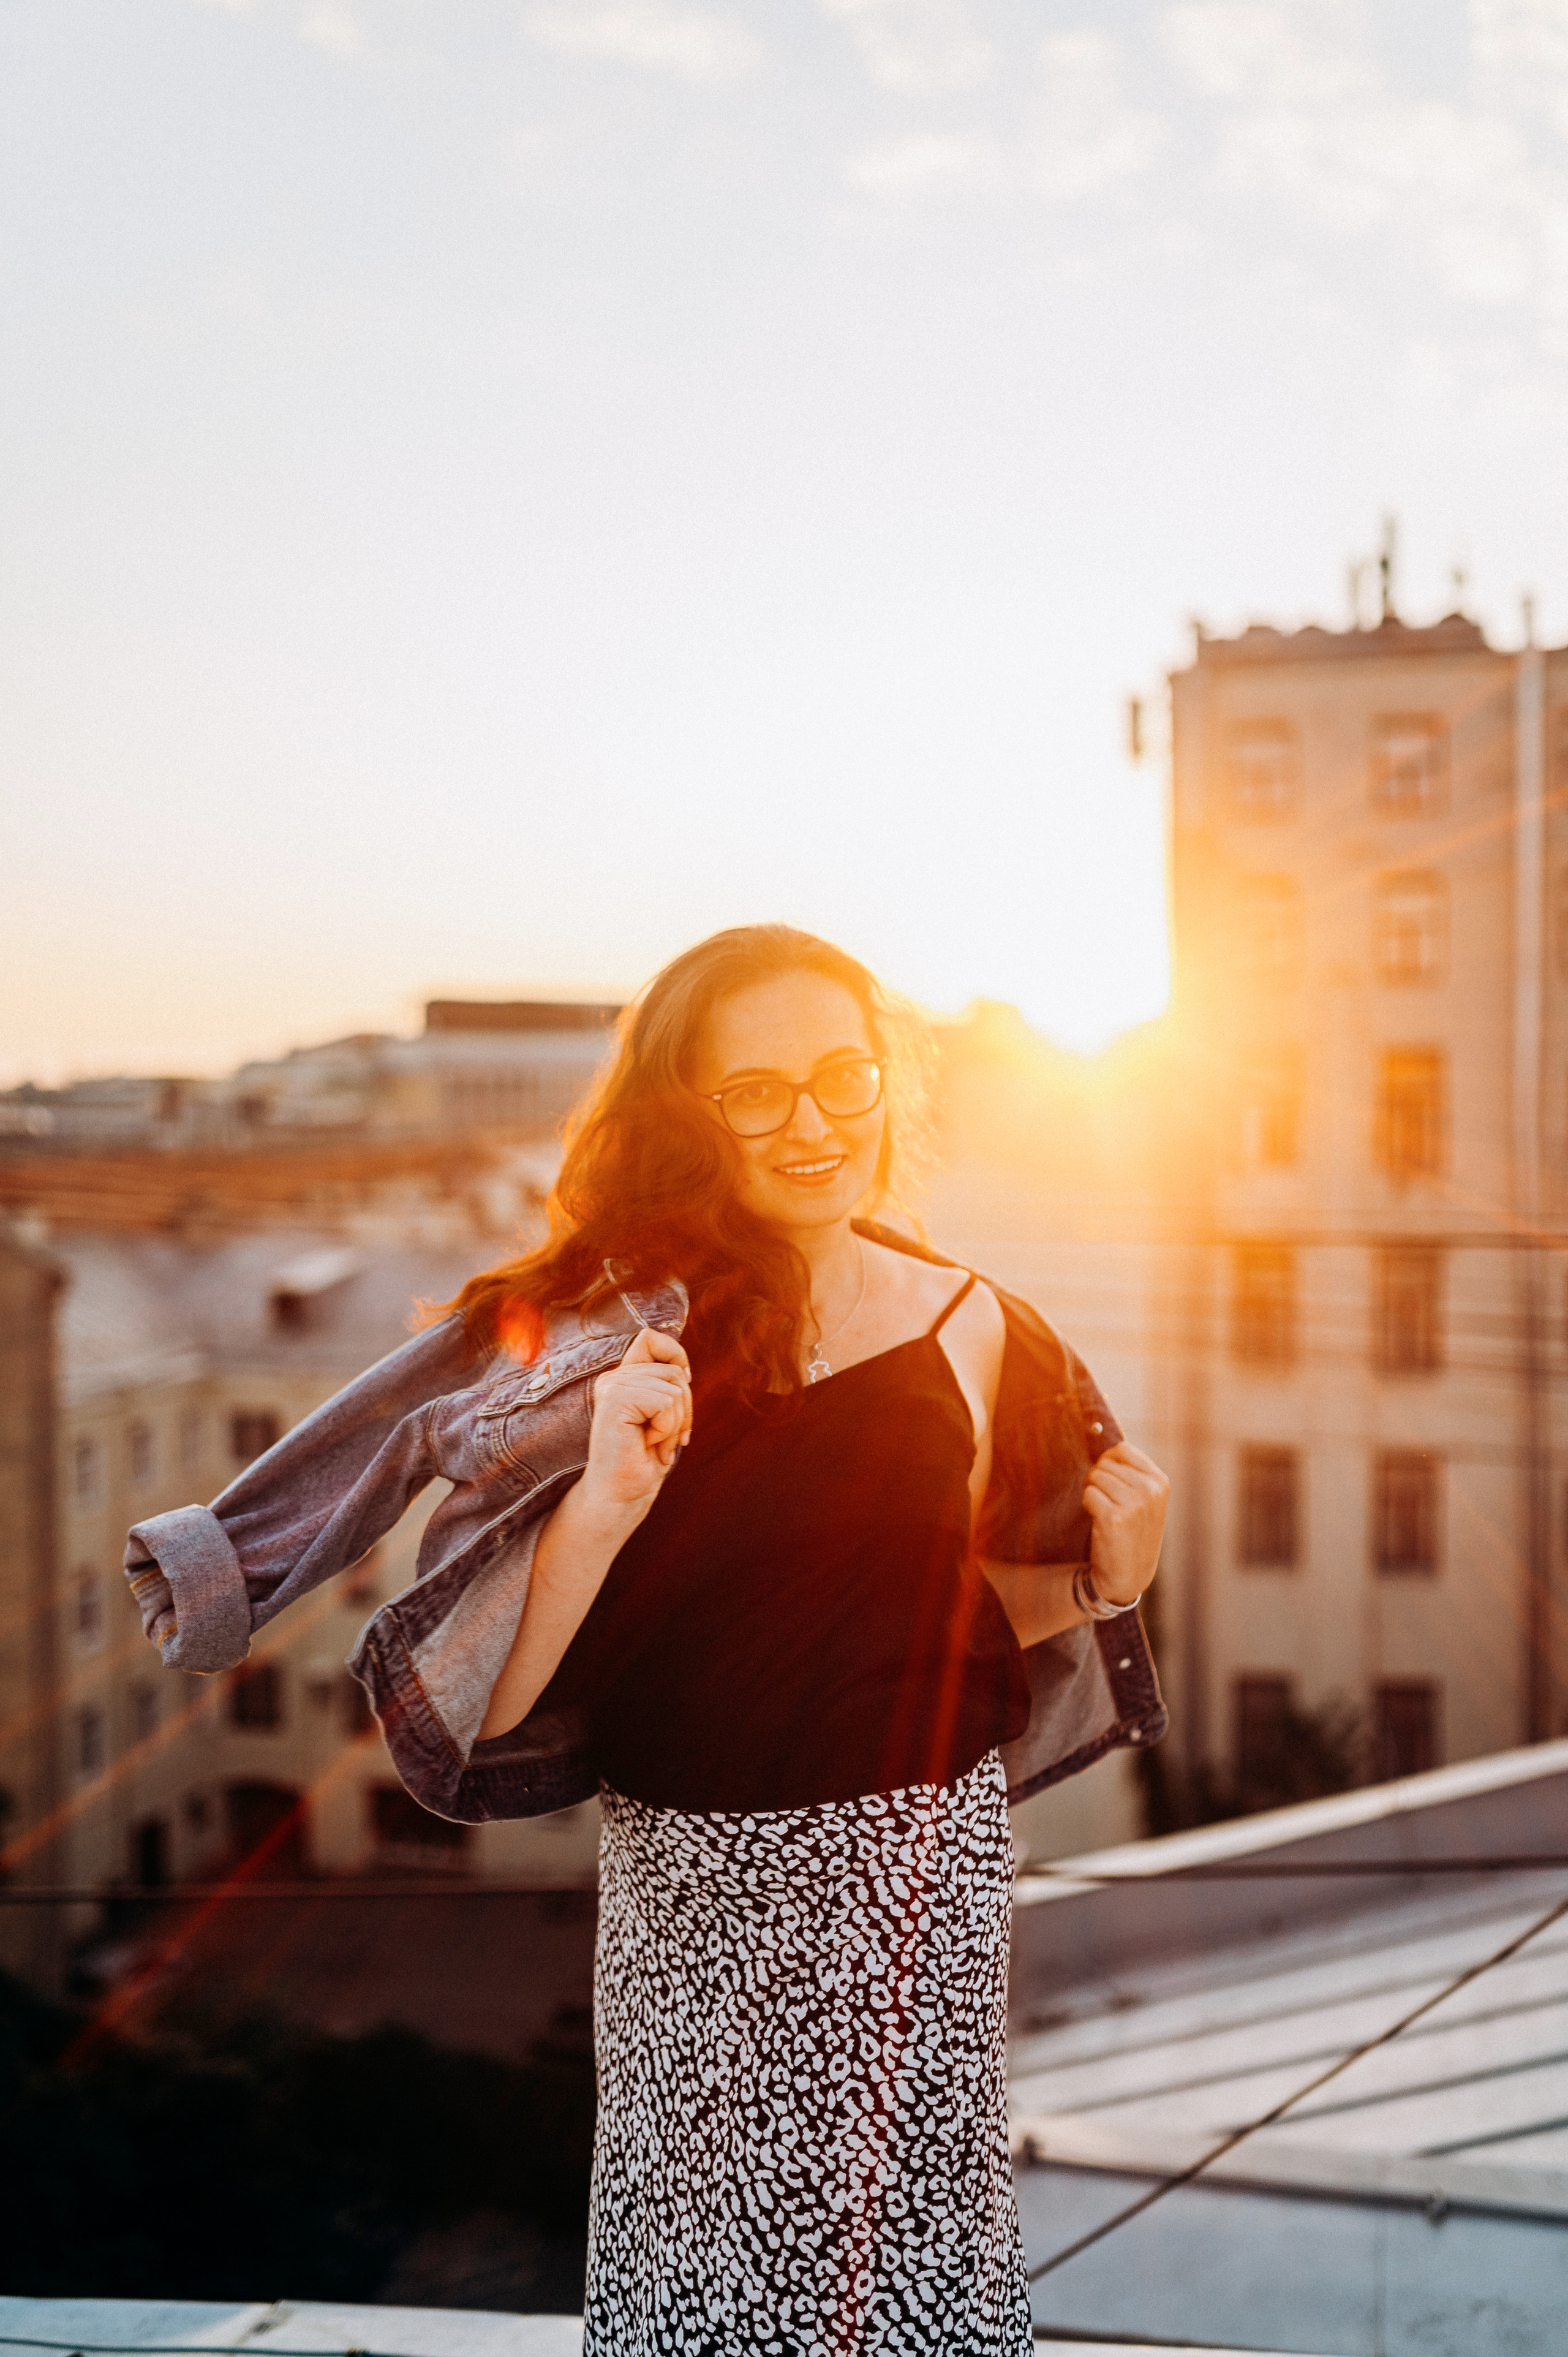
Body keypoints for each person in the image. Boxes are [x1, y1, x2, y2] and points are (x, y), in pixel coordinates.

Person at [123, 923, 1168, 2357]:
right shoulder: (615, 1335)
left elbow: (965, 1613)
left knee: (919, 2293)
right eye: (755, 1091)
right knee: (700, 2300)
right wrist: (606, 1502)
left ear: (884, 1083)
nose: (809, 1124)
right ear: (690, 1114)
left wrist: (1111, 1583)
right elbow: (493, 1713)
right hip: (694, 1898)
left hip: (921, 1878)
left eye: (839, 1076)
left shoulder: (980, 1324)